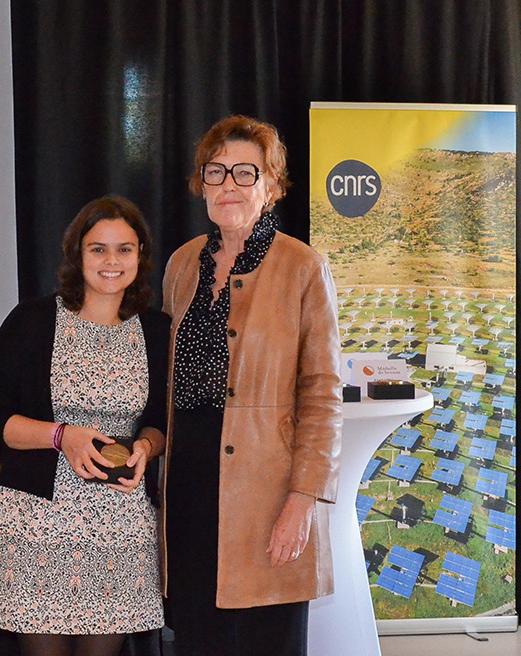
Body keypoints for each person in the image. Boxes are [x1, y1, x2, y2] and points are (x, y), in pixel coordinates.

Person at [161, 115, 343, 656]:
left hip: (267, 492)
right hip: (190, 486)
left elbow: (322, 390)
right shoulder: (181, 264)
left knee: (268, 641)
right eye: (215, 173)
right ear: (201, 185)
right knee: (198, 640)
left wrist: (302, 499)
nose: (229, 186)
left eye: (246, 172)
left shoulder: (302, 267)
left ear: (272, 186)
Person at [0, 195, 169, 656]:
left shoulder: (158, 331)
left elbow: (160, 421)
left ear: (141, 255)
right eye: (97, 248)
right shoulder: (32, 321)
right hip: (38, 522)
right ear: (77, 255)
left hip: (120, 524)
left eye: (124, 248)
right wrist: (62, 436)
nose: (111, 261)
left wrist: (146, 447)